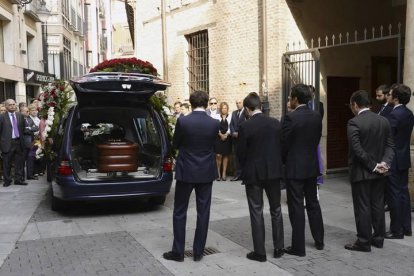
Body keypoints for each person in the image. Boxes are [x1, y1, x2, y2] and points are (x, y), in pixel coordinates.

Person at [163, 90, 219, 262]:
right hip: (206, 171)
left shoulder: (183, 121)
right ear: (207, 103)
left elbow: (176, 143)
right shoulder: (214, 123)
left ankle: (178, 252)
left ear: (192, 104)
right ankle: (198, 252)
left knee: (180, 211)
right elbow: (214, 145)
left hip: (186, 170)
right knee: (204, 212)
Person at [345, 90, 394, 252]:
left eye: (351, 105)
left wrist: (374, 165)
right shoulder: (383, 121)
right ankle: (379, 238)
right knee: (378, 205)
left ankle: (364, 241)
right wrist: (384, 163)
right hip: (380, 172)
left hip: (362, 172)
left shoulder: (354, 122)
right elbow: (390, 146)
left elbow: (357, 150)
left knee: (363, 207)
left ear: (355, 105)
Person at [237, 92, 284, 262]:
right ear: (261, 107)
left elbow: (240, 153)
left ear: (248, 109)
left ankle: (260, 252)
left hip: (254, 173)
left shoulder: (245, 126)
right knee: (276, 209)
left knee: (256, 211)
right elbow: (282, 147)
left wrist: (244, 167)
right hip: (273, 172)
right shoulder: (275, 123)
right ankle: (279, 248)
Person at [281, 84, 324, 257]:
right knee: (313, 203)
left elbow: (283, 144)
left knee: (296, 206)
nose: (289, 100)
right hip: (311, 166)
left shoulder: (290, 118)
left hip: (294, 167)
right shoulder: (316, 116)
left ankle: (298, 247)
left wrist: (285, 161)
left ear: (296, 99)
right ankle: (319, 240)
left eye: (290, 97)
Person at [385, 84, 414, 239]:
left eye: (390, 94)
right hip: (403, 158)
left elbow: (389, 138)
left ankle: (396, 230)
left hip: (394, 159)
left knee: (394, 195)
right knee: (404, 194)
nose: (388, 96)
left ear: (396, 98)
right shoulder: (409, 113)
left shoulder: (394, 115)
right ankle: (406, 227)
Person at [0, 99, 27, 186]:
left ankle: (18, 180)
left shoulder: (20, 115)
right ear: (6, 106)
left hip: (18, 142)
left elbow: (22, 129)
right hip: (7, 143)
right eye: (10, 105)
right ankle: (7, 181)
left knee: (19, 163)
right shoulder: (2, 117)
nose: (12, 106)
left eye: (14, 104)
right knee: (7, 163)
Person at [215, 102, 232, 181]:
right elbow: (216, 127)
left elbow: (230, 127)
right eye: (222, 108)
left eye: (225, 108)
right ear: (220, 109)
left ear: (227, 109)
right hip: (218, 138)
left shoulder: (230, 116)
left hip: (227, 138)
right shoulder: (217, 116)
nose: (224, 109)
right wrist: (220, 134)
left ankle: (224, 173)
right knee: (218, 155)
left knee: (225, 155)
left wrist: (226, 135)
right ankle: (218, 173)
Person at [229, 99, 246, 181]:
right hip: (235, 139)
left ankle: (244, 174)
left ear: (243, 103)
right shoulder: (234, 113)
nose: (238, 104)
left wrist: (239, 133)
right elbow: (231, 124)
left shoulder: (246, 112)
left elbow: (246, 125)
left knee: (243, 156)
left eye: (239, 103)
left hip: (242, 138)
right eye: (237, 103)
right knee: (236, 157)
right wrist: (233, 132)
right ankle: (238, 174)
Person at [22, 105, 39, 180]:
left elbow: (36, 128)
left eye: (28, 111)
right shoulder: (19, 119)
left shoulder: (29, 119)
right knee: (22, 161)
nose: (28, 112)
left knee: (30, 159)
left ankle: (30, 175)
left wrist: (29, 128)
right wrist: (30, 129)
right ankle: (21, 177)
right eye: (27, 111)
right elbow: (23, 130)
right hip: (23, 143)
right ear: (21, 112)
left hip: (31, 143)